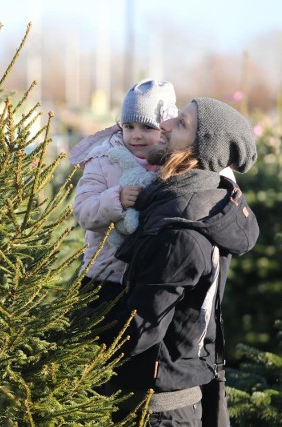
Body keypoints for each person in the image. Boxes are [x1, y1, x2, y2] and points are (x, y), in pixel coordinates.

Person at [100, 97, 259, 426]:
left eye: (182, 123)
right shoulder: (186, 201)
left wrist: (69, 331)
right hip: (153, 400)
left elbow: (137, 328)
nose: (166, 124)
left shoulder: (182, 231)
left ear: (199, 150)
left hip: (158, 411)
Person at [69, 79, 178, 313]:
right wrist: (115, 199)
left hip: (152, 279)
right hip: (106, 277)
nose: (136, 135)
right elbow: (83, 211)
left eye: (147, 127)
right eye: (129, 126)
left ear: (165, 129)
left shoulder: (173, 166)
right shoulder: (103, 159)